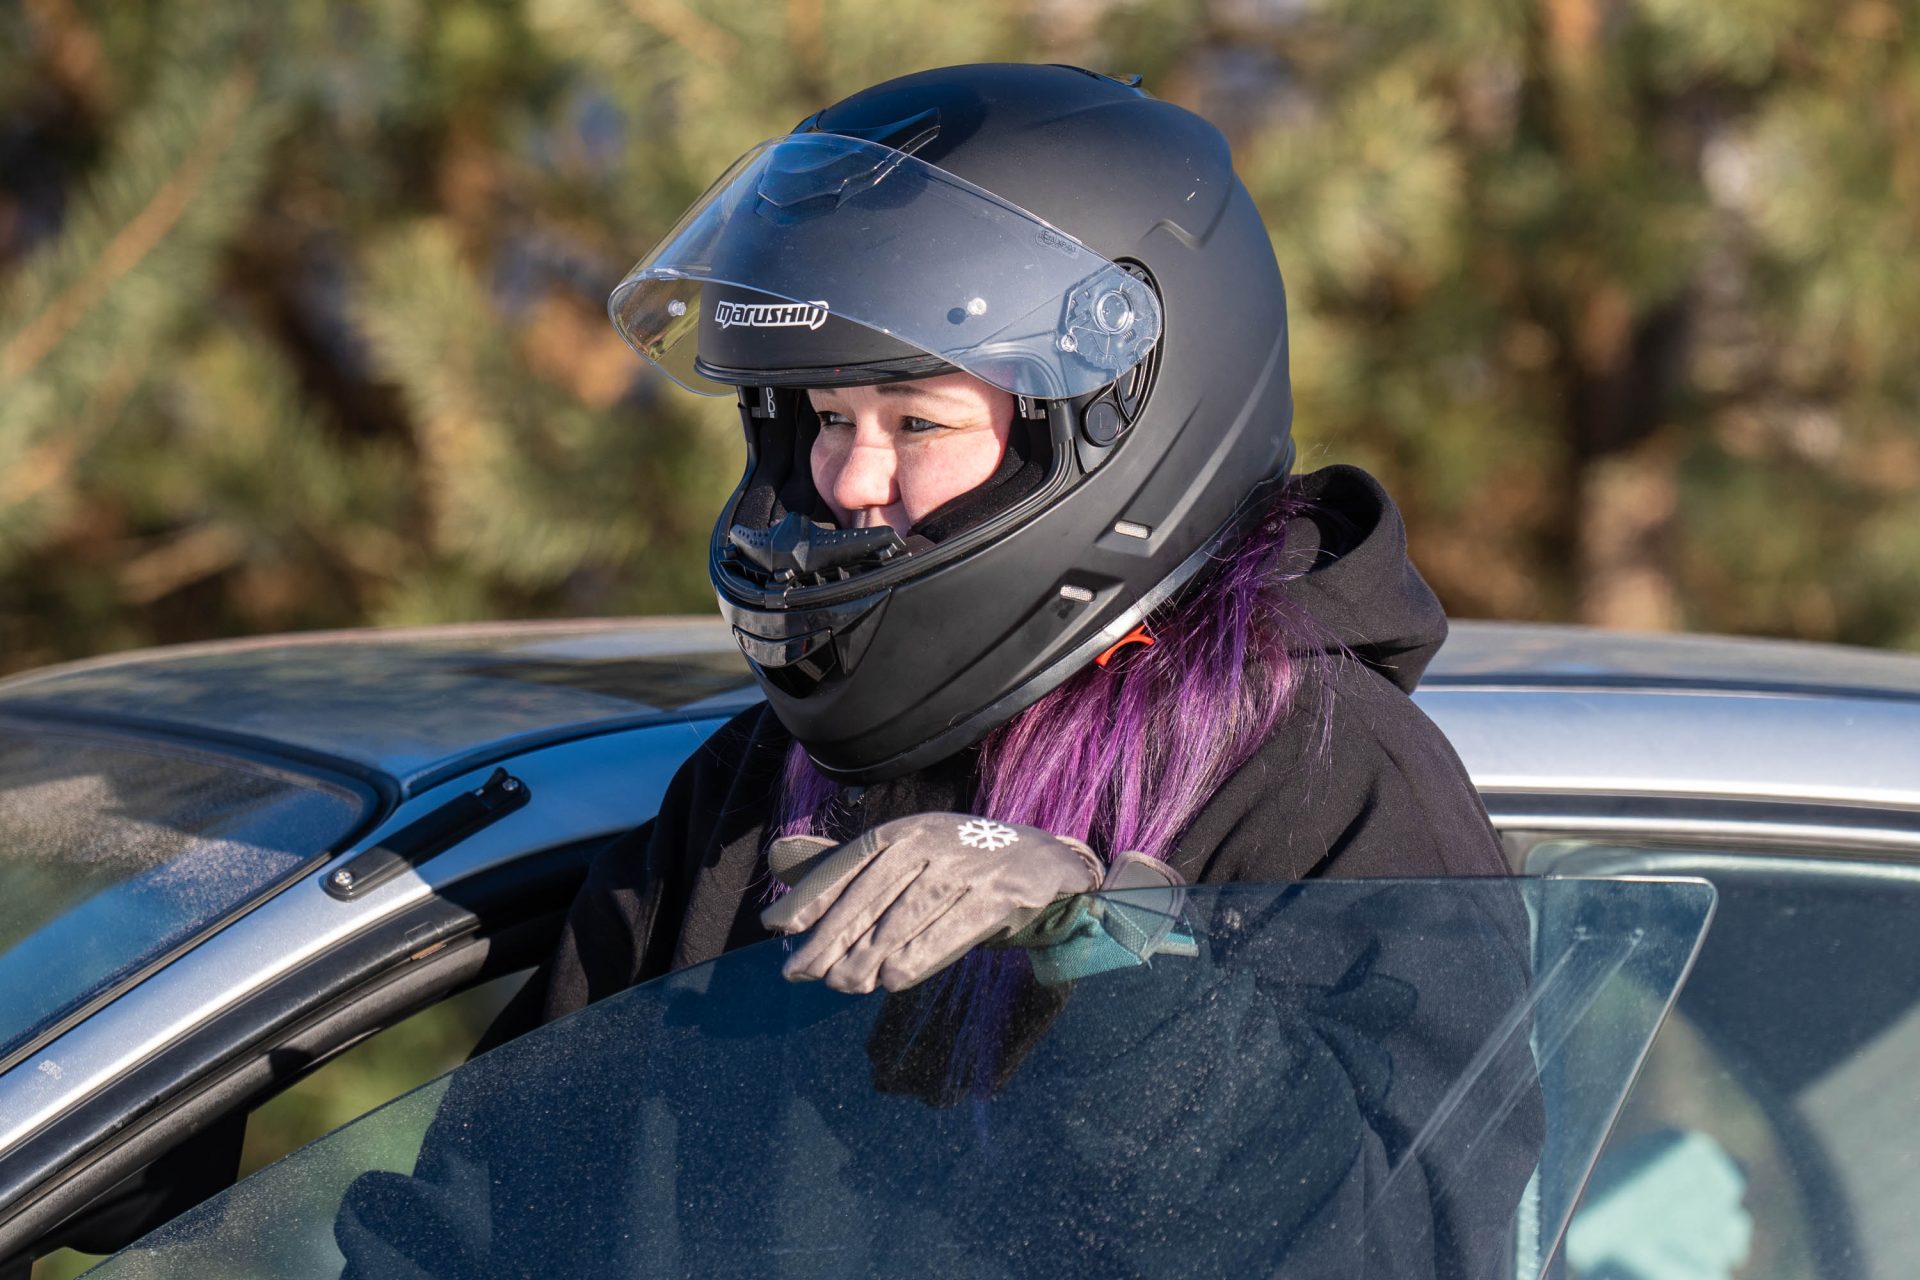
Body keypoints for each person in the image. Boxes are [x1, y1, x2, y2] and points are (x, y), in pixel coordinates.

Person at [335, 63, 1541, 1280]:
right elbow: (476, 1223)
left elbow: (1405, 1245)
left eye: (915, 422)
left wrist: (1108, 959)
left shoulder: (1323, 775)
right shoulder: (758, 784)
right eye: (826, 418)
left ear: (1108, 425)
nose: (851, 480)